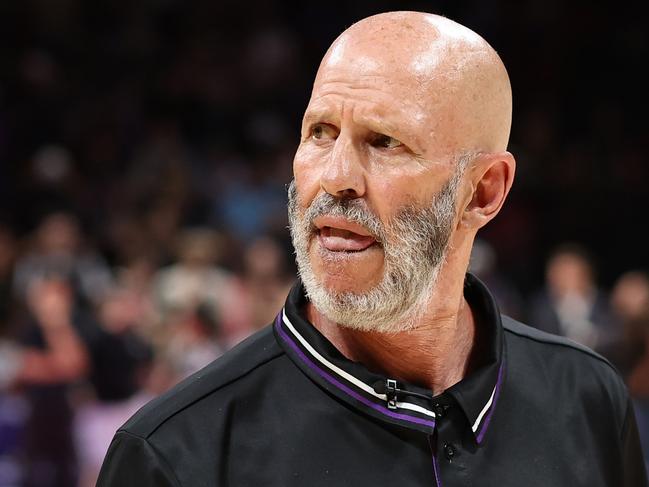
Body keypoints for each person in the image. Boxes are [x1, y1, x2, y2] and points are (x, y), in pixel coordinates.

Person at [97, 12, 647, 486]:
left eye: (385, 142)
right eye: (320, 132)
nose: (336, 177)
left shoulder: (589, 398)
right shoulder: (174, 452)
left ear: (484, 192)